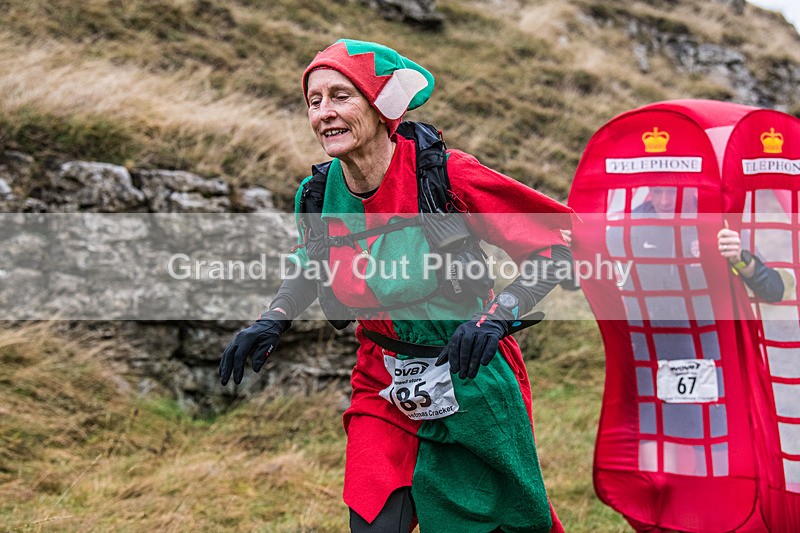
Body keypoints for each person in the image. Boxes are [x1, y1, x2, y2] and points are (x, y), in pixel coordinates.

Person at [218, 39, 573, 532]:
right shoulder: (318, 193)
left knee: (490, 524)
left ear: (380, 105)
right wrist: (271, 320)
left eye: (340, 96)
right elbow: (311, 261)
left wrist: (498, 317)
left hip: (469, 372)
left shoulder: (447, 175)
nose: (324, 113)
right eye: (314, 101)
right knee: (373, 523)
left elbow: (555, 245)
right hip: (383, 381)